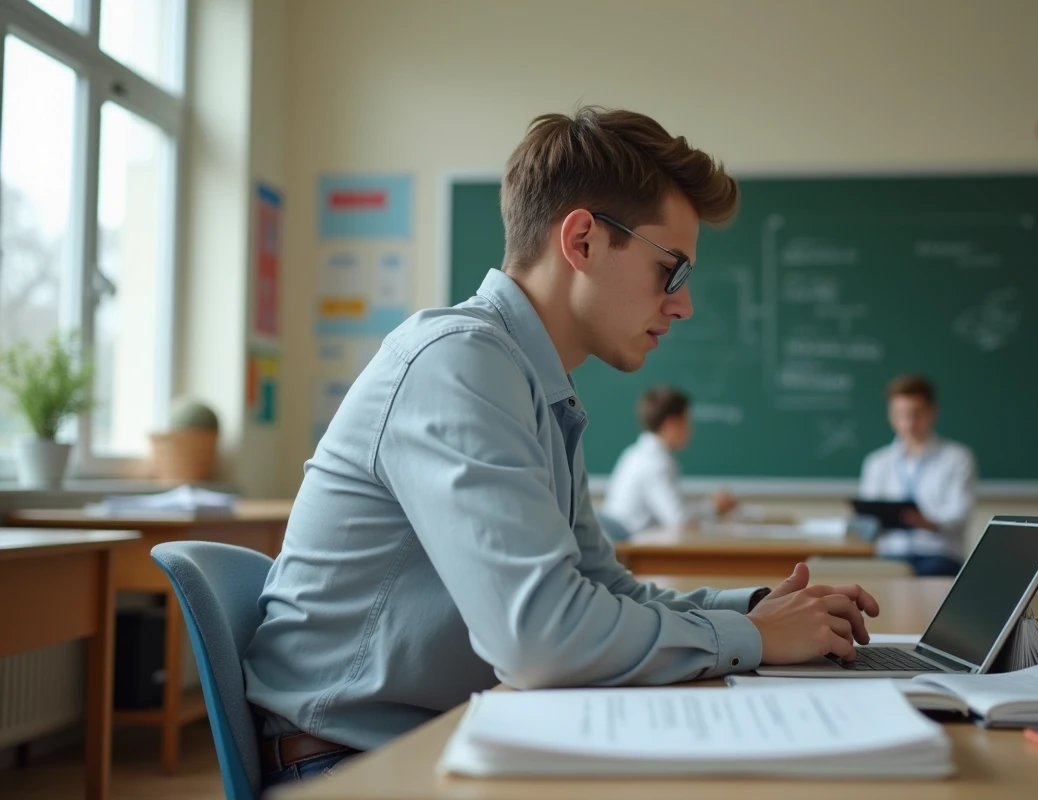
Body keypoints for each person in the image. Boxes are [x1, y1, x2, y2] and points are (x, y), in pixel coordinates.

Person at [242, 107, 879, 787]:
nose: (683, 304)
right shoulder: (458, 364)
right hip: (355, 766)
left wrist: (754, 611)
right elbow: (539, 640)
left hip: (450, 736)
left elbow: (602, 592)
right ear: (582, 240)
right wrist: (754, 639)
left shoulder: (533, 381)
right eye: (671, 270)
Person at [858, 374, 977, 577]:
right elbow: (868, 521)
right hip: (891, 555)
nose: (908, 423)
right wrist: (861, 517)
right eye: (900, 414)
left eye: (916, 414)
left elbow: (961, 516)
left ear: (932, 412)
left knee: (932, 573)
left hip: (938, 556)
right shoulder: (877, 462)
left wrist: (928, 522)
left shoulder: (957, 458)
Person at [601, 385, 737, 536]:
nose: (691, 429)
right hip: (632, 550)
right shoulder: (654, 462)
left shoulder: (635, 453)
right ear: (671, 424)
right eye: (687, 421)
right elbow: (678, 520)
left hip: (626, 543)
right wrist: (714, 507)